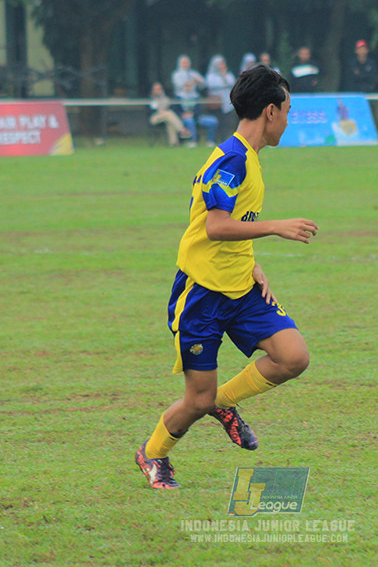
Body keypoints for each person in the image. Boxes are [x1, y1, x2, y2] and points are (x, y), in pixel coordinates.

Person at [135, 64, 318, 490]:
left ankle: (224, 403)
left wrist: (251, 263)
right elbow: (215, 226)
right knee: (195, 400)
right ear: (270, 111)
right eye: (287, 111)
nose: (288, 121)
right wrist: (275, 226)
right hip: (201, 294)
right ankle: (153, 454)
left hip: (241, 287)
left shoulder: (247, 158)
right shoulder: (233, 159)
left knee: (293, 357)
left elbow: (222, 225)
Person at [175, 79, 219, 147]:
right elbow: (176, 110)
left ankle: (210, 141)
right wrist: (182, 115)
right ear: (183, 87)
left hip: (196, 117)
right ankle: (193, 141)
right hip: (184, 119)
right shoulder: (178, 97)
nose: (188, 87)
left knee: (213, 121)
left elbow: (199, 109)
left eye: (190, 86)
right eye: (186, 86)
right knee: (189, 120)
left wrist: (193, 114)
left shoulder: (196, 96)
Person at [148, 82, 192, 147]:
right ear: (153, 90)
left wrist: (164, 112)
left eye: (159, 89)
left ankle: (174, 143)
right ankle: (182, 130)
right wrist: (162, 112)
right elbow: (151, 111)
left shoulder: (166, 98)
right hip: (154, 117)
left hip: (166, 116)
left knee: (170, 121)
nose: (158, 90)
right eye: (156, 89)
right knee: (169, 114)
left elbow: (171, 108)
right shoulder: (151, 99)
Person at [205, 55, 237, 135]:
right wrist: (224, 84)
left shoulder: (228, 75)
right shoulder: (210, 76)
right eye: (220, 64)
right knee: (217, 122)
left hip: (227, 102)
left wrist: (223, 77)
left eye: (223, 64)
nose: (222, 66)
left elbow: (231, 82)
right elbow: (211, 84)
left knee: (226, 123)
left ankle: (224, 138)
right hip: (216, 103)